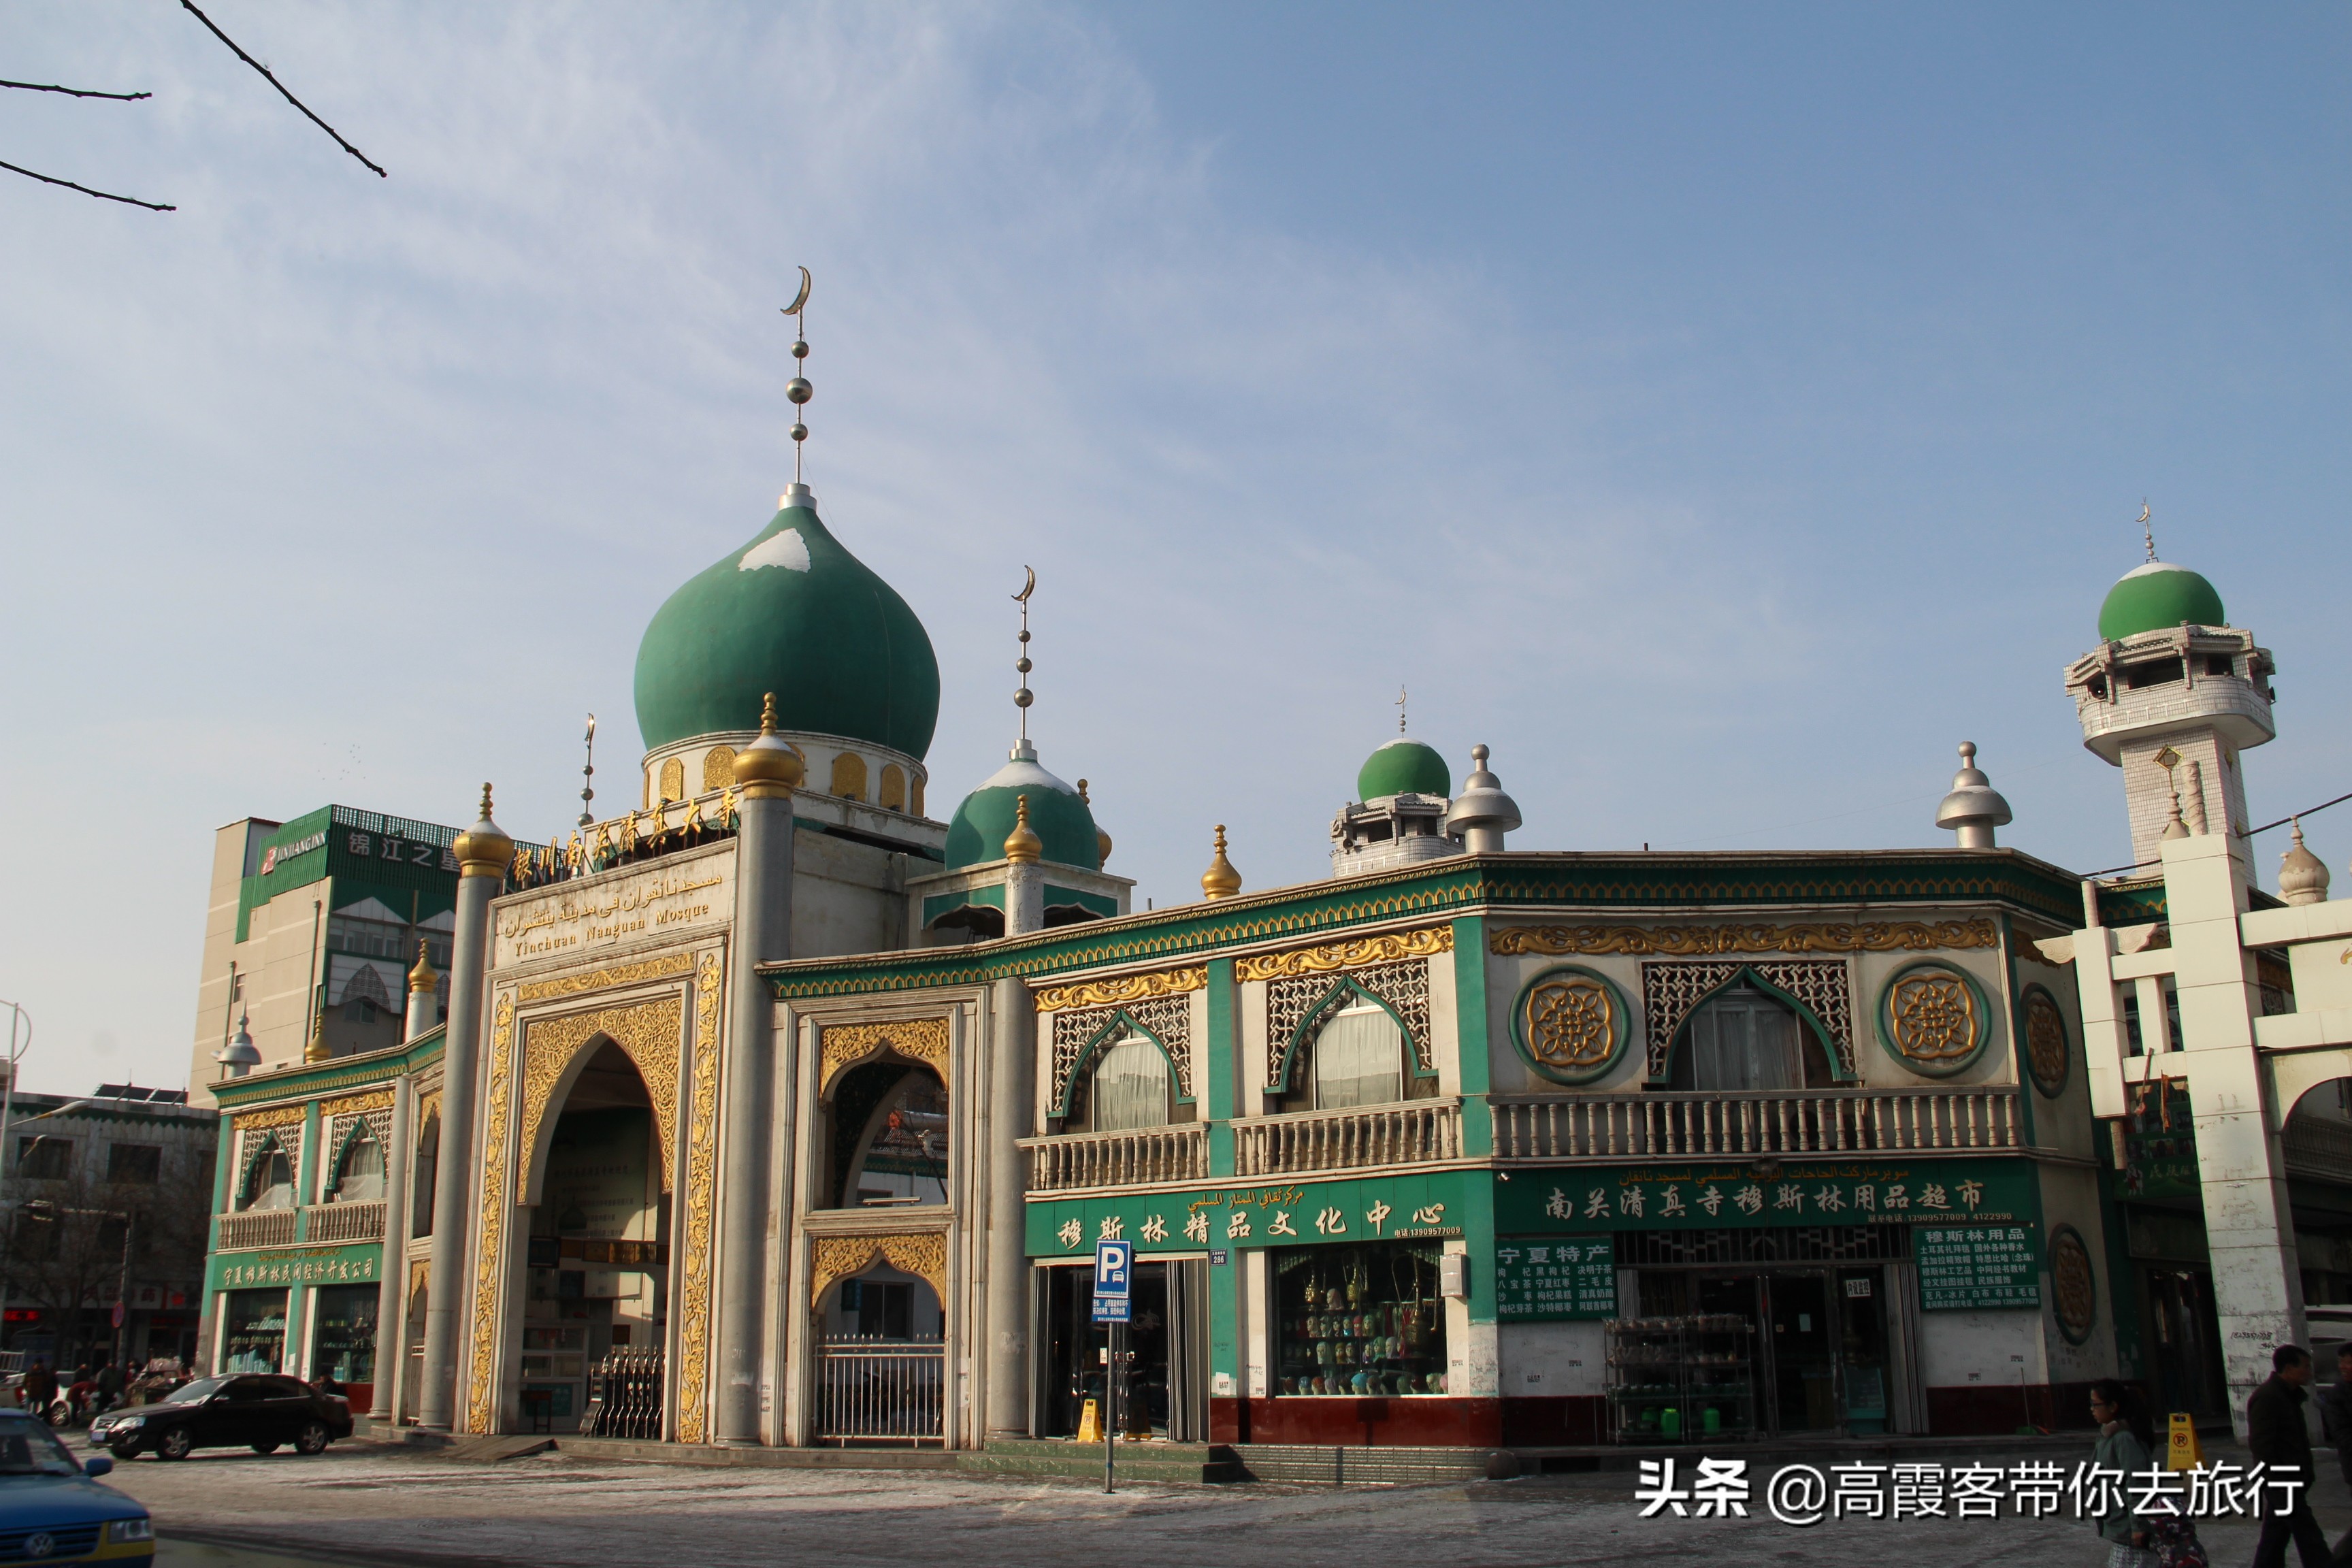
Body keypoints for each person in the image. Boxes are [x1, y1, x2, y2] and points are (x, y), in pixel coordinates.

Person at [2249, 1345, 2331, 1568]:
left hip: (2292, 1479)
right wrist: (2276, 1479)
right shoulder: (2268, 1397)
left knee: (2274, 1538)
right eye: (2305, 1367)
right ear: (2288, 1368)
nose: (2310, 1372)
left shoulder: (2290, 1396)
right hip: (2281, 1481)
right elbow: (2261, 1445)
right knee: (2309, 1536)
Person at [2089, 1379, 2157, 1567]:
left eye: (2096, 1404)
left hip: (2130, 1530)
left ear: (2113, 1406)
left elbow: (2137, 1483)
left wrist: (2139, 1526)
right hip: (2119, 1526)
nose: (2092, 1409)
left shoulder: (2124, 1439)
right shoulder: (2107, 1437)